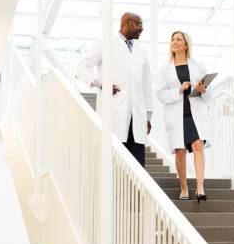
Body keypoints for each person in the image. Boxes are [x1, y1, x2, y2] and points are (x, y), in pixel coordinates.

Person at [76, 12, 153, 166]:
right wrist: (101, 84)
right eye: (138, 24)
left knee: (137, 165)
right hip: (114, 113)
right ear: (126, 23)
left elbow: (146, 86)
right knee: (114, 162)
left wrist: (148, 117)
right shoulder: (105, 43)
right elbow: (82, 66)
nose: (142, 28)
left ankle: (134, 191)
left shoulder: (142, 53)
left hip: (136, 117)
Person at [156, 31, 211, 202]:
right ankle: (184, 188)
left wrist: (203, 90)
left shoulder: (198, 65)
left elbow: (209, 92)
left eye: (179, 39)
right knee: (180, 152)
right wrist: (178, 90)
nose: (175, 42)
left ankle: (200, 189)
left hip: (194, 114)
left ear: (186, 44)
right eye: (173, 39)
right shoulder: (165, 70)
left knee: (197, 146)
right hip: (176, 115)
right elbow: (160, 95)